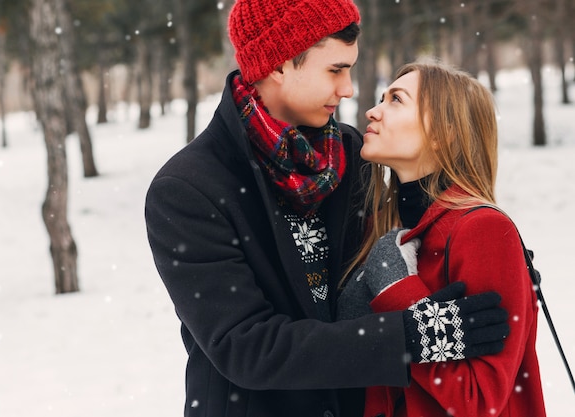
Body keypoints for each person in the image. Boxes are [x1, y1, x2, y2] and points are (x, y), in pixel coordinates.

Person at [144, 1, 510, 416]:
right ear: (279, 64)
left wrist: (474, 242)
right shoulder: (188, 189)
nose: (349, 88)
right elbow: (246, 347)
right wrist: (409, 337)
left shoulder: (350, 154)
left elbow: (399, 240)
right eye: (335, 70)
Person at [337, 61, 547, 417]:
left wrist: (397, 292)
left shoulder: (484, 231)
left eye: (396, 100)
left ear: (443, 133)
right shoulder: (381, 227)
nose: (373, 111)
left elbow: (480, 400)